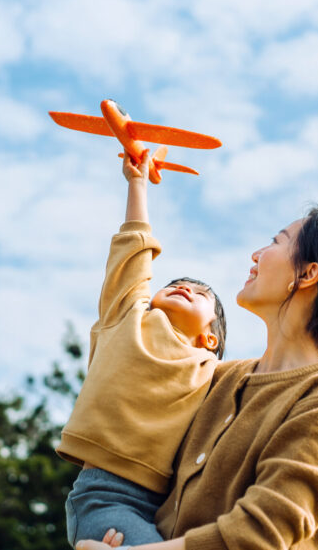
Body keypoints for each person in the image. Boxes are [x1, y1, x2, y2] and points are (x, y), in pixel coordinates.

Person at [77, 204, 318, 550]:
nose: (256, 254)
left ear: (307, 274)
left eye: (276, 241)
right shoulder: (219, 378)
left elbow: (258, 536)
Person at [59, 151, 228, 547]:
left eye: (202, 294)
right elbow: (133, 252)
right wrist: (137, 183)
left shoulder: (210, 369)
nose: (187, 287)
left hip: (166, 506)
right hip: (103, 496)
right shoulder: (128, 317)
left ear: (211, 338)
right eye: (176, 284)